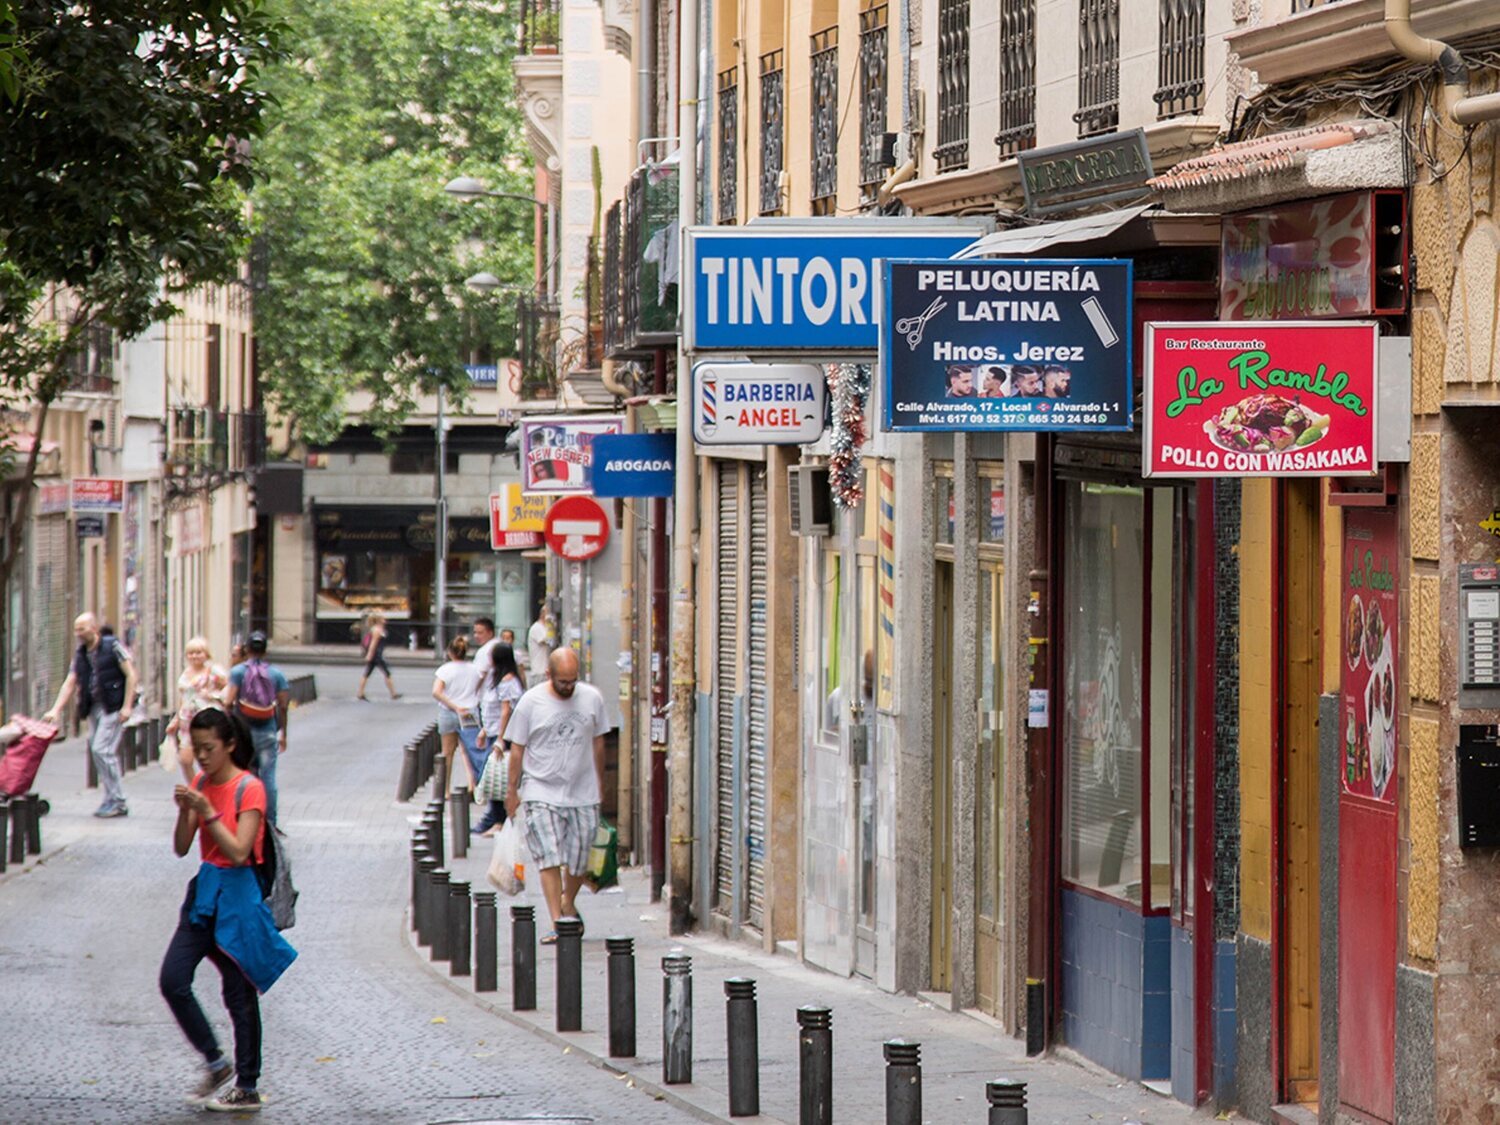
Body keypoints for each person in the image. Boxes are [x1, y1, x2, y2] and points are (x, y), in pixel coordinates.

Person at [160, 707, 296, 1113]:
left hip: (238, 897)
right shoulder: (201, 781)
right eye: (196, 749)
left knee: (239, 992)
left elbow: (239, 851)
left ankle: (248, 1085)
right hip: (204, 894)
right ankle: (217, 1062)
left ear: (230, 745)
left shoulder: (249, 788)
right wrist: (187, 810)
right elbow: (182, 846)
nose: (201, 758)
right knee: (173, 978)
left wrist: (207, 811)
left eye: (209, 748)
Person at [505, 648, 609, 943]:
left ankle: (567, 902)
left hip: (583, 792)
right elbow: (517, 749)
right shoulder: (530, 702)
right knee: (549, 856)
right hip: (541, 789)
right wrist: (512, 791)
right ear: (549, 674)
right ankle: (558, 920)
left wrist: (599, 784)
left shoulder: (592, 698)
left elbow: (599, 743)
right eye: (563, 681)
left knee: (578, 860)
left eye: (573, 681)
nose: (568, 687)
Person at [43, 613, 138, 818]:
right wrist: (56, 709)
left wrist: (127, 707)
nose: (78, 633)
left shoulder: (112, 646)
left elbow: (131, 674)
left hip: (113, 707)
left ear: (94, 628)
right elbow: (70, 682)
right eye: (76, 629)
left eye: (82, 628)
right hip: (94, 708)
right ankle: (111, 798)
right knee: (99, 753)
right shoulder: (80, 655)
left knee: (101, 749)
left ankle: (118, 800)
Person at [224, 632, 290, 825]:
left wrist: (229, 725)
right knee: (268, 778)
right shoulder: (277, 674)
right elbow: (284, 705)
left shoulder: (238, 672)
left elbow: (228, 701)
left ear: (247, 649)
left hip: (243, 732)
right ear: (265, 651)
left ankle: (246, 818)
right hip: (268, 730)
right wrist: (283, 733)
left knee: (245, 776)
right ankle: (271, 822)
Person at [473, 641, 525, 836]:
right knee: (494, 775)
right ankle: (493, 819)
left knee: (497, 776)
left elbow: (505, 712)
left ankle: (497, 820)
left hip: (502, 736)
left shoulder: (508, 681)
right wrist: (485, 731)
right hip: (494, 732)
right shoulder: (500, 678)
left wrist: (500, 740)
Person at [165, 637, 229, 783]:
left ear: (206, 654)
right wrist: (175, 720)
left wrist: (213, 695)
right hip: (187, 720)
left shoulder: (213, 670)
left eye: (198, 652)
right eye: (191, 653)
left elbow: (228, 689)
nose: (194, 656)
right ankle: (196, 789)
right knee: (185, 759)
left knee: (209, 756)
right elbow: (183, 699)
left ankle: (211, 787)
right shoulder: (186, 673)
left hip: (207, 720)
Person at [432, 635, 485, 793]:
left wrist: (454, 706)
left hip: (449, 712)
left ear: (450, 652)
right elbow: (479, 688)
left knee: (447, 753)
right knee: (469, 751)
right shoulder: (475, 669)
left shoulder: (444, 670)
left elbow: (436, 692)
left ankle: (446, 790)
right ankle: (472, 785)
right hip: (470, 713)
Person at [356, 612, 400, 701]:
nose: (385, 620)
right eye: (383, 619)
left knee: (367, 673)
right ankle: (393, 694)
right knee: (387, 673)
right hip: (377, 655)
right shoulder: (377, 630)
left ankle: (360, 693)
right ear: (379, 620)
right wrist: (370, 654)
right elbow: (373, 644)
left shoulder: (378, 629)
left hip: (377, 654)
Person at [527, 606, 555, 684]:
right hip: (539, 671)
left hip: (545, 671)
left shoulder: (545, 628)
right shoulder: (537, 628)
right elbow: (547, 640)